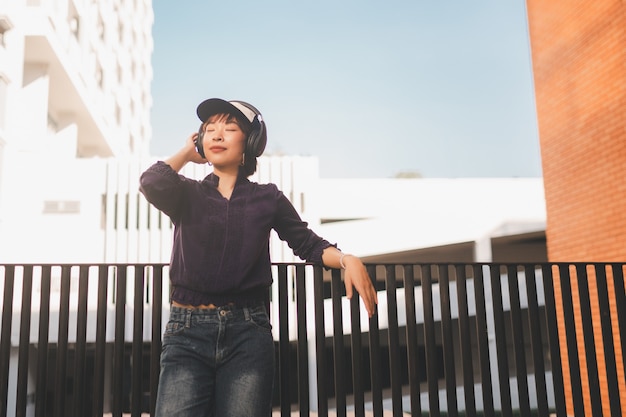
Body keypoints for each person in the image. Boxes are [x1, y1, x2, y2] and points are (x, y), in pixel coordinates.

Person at [139, 98, 377, 417]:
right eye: (209, 129)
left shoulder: (268, 198)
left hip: (247, 334)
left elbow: (308, 244)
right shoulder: (186, 192)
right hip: (187, 332)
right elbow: (151, 182)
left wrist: (348, 259)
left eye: (230, 128)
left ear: (251, 141)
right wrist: (185, 153)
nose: (217, 134)